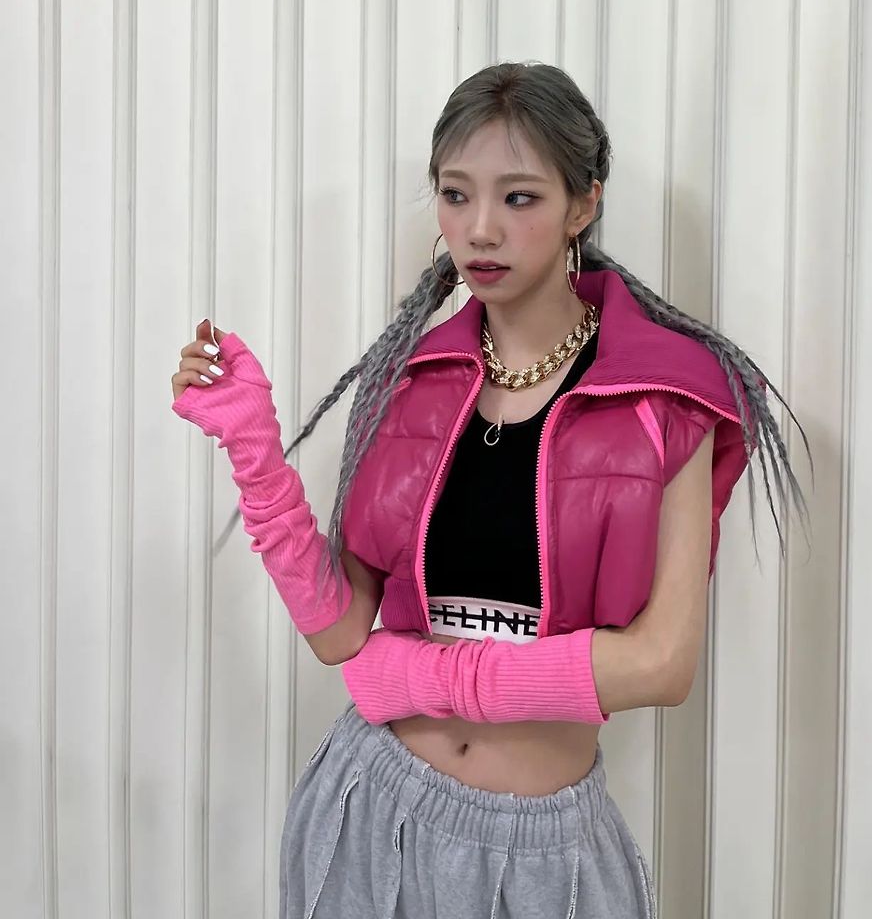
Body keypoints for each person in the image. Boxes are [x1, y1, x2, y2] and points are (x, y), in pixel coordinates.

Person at [170, 61, 811, 918]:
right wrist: (254, 446)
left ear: (583, 203)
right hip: (373, 811)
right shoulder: (409, 382)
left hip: (544, 853)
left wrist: (409, 675)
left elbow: (663, 664)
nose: (480, 229)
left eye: (519, 198)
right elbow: (340, 630)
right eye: (455, 194)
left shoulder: (668, 397)